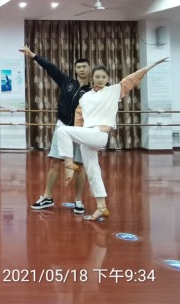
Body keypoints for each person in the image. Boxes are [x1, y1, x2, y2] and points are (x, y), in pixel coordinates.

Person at [58, 57, 168, 222]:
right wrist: (77, 137)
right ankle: (101, 207)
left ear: (108, 78)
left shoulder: (114, 90)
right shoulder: (84, 98)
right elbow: (78, 121)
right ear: (92, 78)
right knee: (93, 172)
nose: (100, 79)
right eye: (97, 77)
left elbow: (133, 77)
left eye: (103, 77)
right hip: (87, 136)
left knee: (62, 130)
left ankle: (68, 165)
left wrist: (153, 64)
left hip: (98, 134)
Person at [19, 47, 91, 215]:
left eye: (84, 67)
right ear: (75, 69)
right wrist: (34, 56)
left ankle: (78, 200)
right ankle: (47, 197)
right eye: (79, 67)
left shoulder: (94, 89)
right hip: (63, 126)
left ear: (89, 69)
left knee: (79, 165)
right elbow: (50, 68)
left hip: (82, 130)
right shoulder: (67, 82)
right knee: (54, 162)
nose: (81, 69)